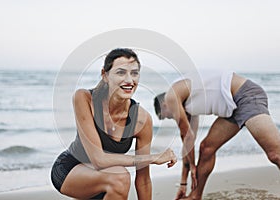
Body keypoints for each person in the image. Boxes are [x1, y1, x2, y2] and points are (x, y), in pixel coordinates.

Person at [51, 48, 177, 200]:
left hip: (106, 179)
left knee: (118, 177)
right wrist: (152, 158)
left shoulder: (142, 120)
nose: (129, 80)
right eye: (121, 72)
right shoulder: (84, 98)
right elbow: (99, 160)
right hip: (70, 170)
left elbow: (143, 180)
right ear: (105, 75)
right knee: (120, 177)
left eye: (134, 73)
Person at [153, 70, 280, 200]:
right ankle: (195, 196)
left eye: (167, 116)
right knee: (206, 148)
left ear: (164, 105)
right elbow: (188, 143)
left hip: (246, 96)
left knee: (275, 155)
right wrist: (183, 183)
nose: (172, 118)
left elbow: (186, 135)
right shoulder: (189, 108)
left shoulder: (171, 96)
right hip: (233, 109)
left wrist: (192, 166)